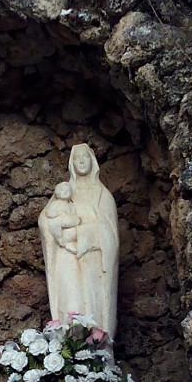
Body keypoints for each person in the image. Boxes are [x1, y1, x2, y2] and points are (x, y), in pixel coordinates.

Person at [38, 144, 119, 338]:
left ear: (93, 161)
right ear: (71, 164)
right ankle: (71, 352)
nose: (81, 161)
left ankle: (97, 351)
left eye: (85, 157)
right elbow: (45, 221)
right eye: (77, 158)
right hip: (68, 259)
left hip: (92, 257)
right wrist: (61, 230)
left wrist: (81, 232)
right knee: (71, 305)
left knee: (93, 305)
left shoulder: (102, 195)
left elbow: (110, 232)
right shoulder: (65, 191)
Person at [44, 182, 81, 254]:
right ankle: (61, 241)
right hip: (60, 220)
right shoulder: (56, 203)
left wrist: (74, 219)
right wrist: (54, 214)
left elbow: (73, 214)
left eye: (68, 190)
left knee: (76, 221)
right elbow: (49, 212)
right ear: (57, 193)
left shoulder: (71, 204)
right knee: (52, 223)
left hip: (69, 221)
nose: (66, 192)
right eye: (63, 190)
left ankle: (68, 242)